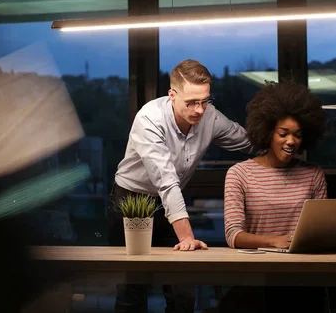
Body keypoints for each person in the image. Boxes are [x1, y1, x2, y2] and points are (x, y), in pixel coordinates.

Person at [109, 59, 257, 313]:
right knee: (132, 292)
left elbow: (247, 141)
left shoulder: (209, 116)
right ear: (172, 96)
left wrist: (282, 140)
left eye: (205, 101)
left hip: (169, 205)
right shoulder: (149, 119)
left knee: (183, 294)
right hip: (130, 202)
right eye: (191, 103)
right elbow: (166, 182)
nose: (200, 110)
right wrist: (188, 237)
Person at [219, 81, 330, 312]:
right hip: (255, 279)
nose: (291, 141)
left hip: (303, 279)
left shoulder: (313, 175)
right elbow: (233, 234)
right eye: (283, 133)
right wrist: (274, 241)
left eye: (298, 135)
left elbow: (321, 232)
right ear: (268, 132)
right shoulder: (240, 174)